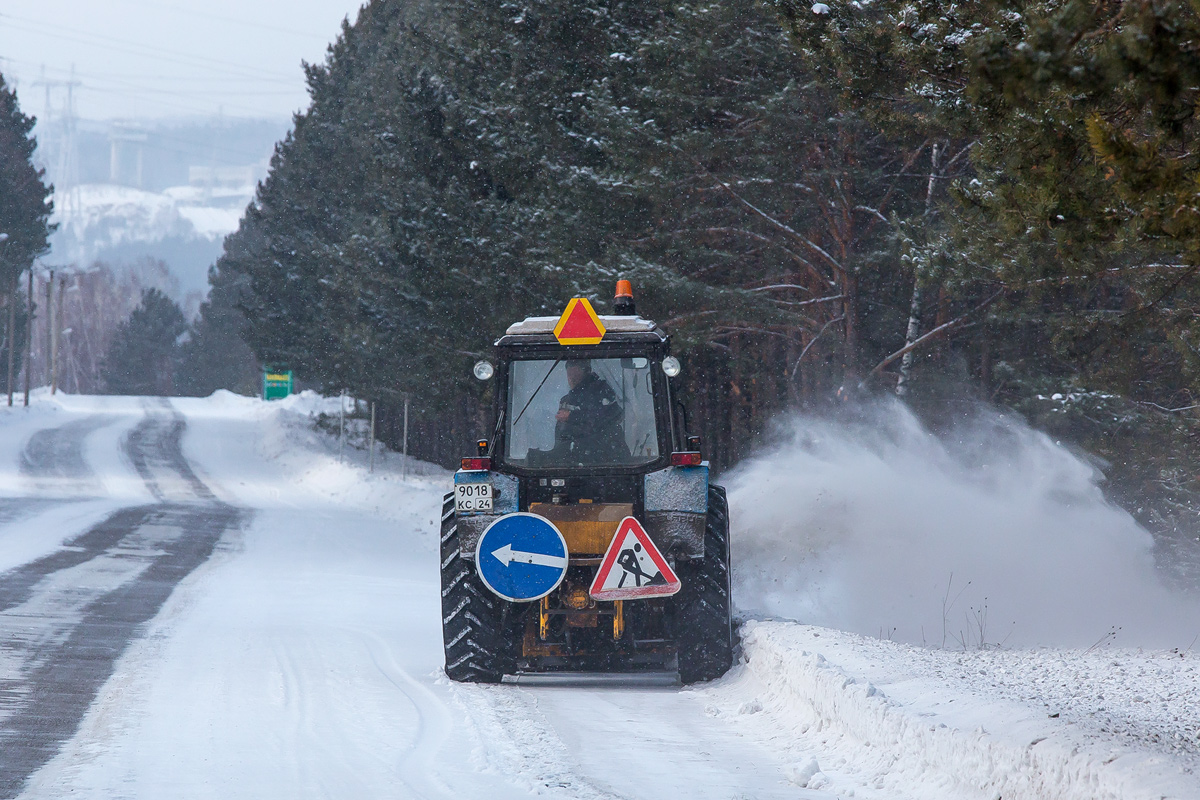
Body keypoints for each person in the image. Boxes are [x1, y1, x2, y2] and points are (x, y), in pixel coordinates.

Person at [551, 361, 628, 463]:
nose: (571, 380)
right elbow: (563, 434)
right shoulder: (567, 400)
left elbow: (609, 417)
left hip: (608, 458)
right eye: (569, 376)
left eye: (575, 376)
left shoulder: (602, 392)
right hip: (576, 459)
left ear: (586, 373)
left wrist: (572, 416)